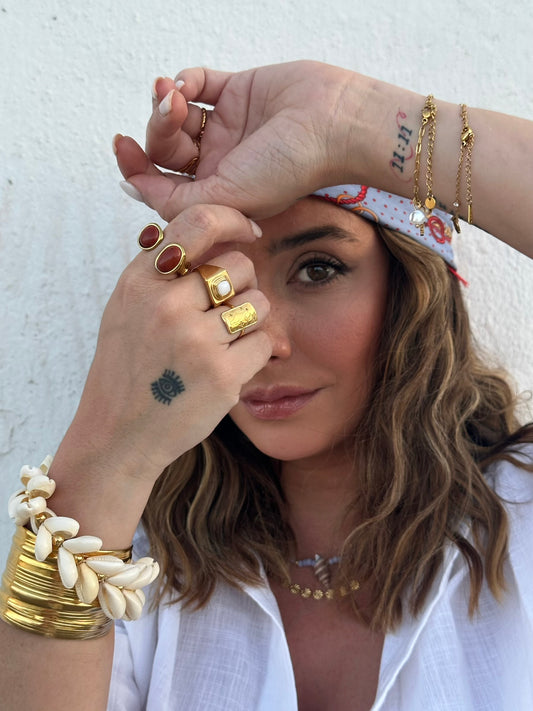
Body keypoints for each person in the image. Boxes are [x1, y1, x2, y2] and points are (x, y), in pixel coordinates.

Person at [0, 60, 532, 711]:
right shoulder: (136, 568)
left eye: (316, 269)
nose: (263, 342)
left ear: (411, 288)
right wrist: (108, 453)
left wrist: (358, 120)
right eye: (217, 286)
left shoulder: (520, 519)